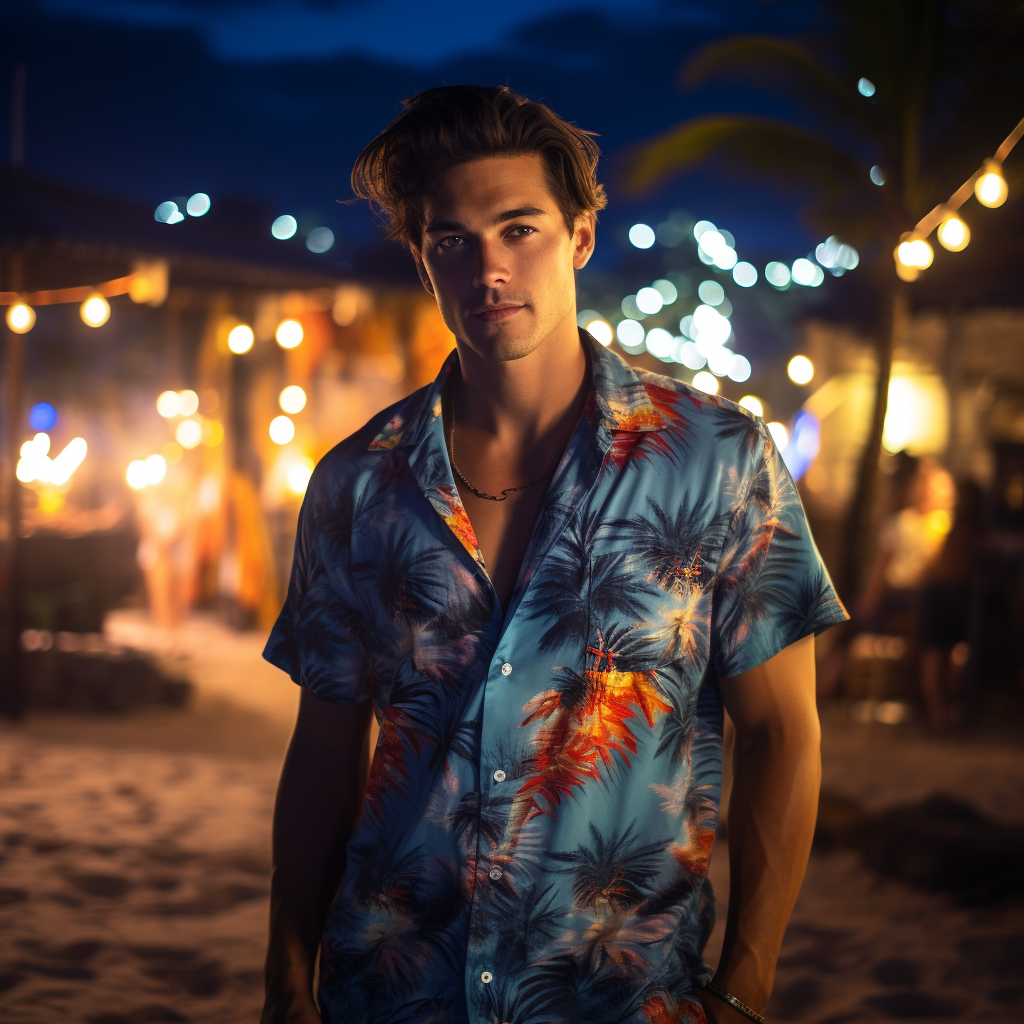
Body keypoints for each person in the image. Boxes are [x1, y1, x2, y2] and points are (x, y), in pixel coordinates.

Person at [260, 85, 848, 1024]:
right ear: (422, 257)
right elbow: (325, 755)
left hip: (620, 997)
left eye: (519, 227)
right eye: (452, 239)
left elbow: (783, 734)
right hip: (394, 991)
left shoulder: (719, 460)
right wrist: (286, 979)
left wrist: (745, 987)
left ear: (579, 234)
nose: (489, 268)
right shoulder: (356, 486)